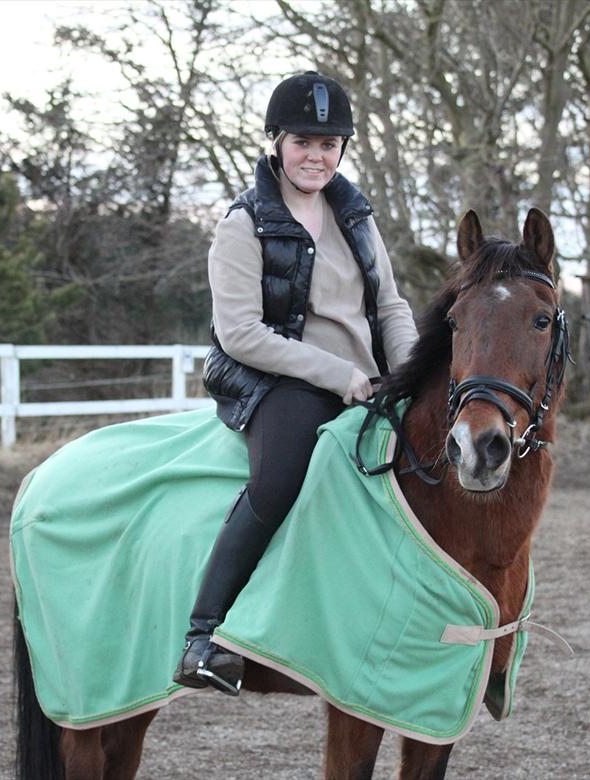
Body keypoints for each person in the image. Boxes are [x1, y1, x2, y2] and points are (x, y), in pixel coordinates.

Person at [173, 71, 418, 695]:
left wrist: (414, 375)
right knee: (279, 481)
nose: (316, 156)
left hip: (369, 380)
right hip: (280, 380)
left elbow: (389, 307)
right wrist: (340, 376)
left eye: (329, 144)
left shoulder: (357, 217)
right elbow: (241, 334)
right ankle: (204, 635)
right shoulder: (243, 223)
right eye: (303, 142)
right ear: (276, 142)